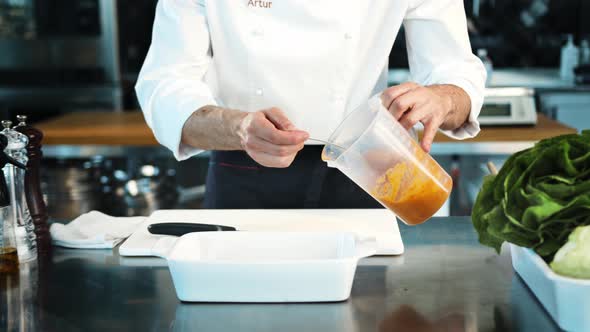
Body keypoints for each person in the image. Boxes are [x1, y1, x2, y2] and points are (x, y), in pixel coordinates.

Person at [136, 0, 486, 209]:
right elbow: (165, 83)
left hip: (363, 170)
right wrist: (238, 127)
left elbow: (454, 68)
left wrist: (442, 96)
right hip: (243, 175)